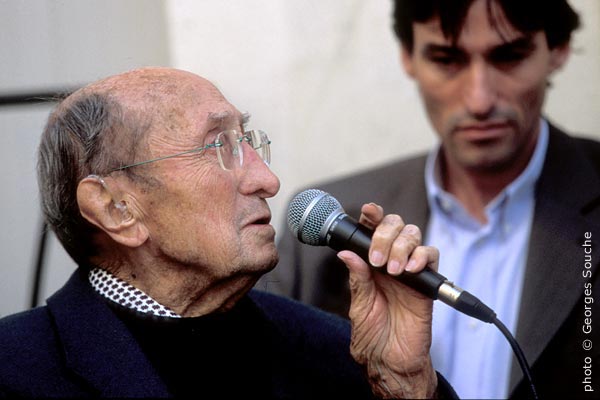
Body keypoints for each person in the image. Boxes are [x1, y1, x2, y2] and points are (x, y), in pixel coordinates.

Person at [0, 67, 457, 399]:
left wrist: (407, 385)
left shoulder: (337, 351)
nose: (267, 180)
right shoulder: (16, 371)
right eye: (219, 146)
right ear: (117, 209)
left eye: (249, 141)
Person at [261, 0, 600, 398]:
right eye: (446, 59)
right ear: (408, 57)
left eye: (509, 56)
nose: (479, 100)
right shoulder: (327, 224)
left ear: (558, 51)